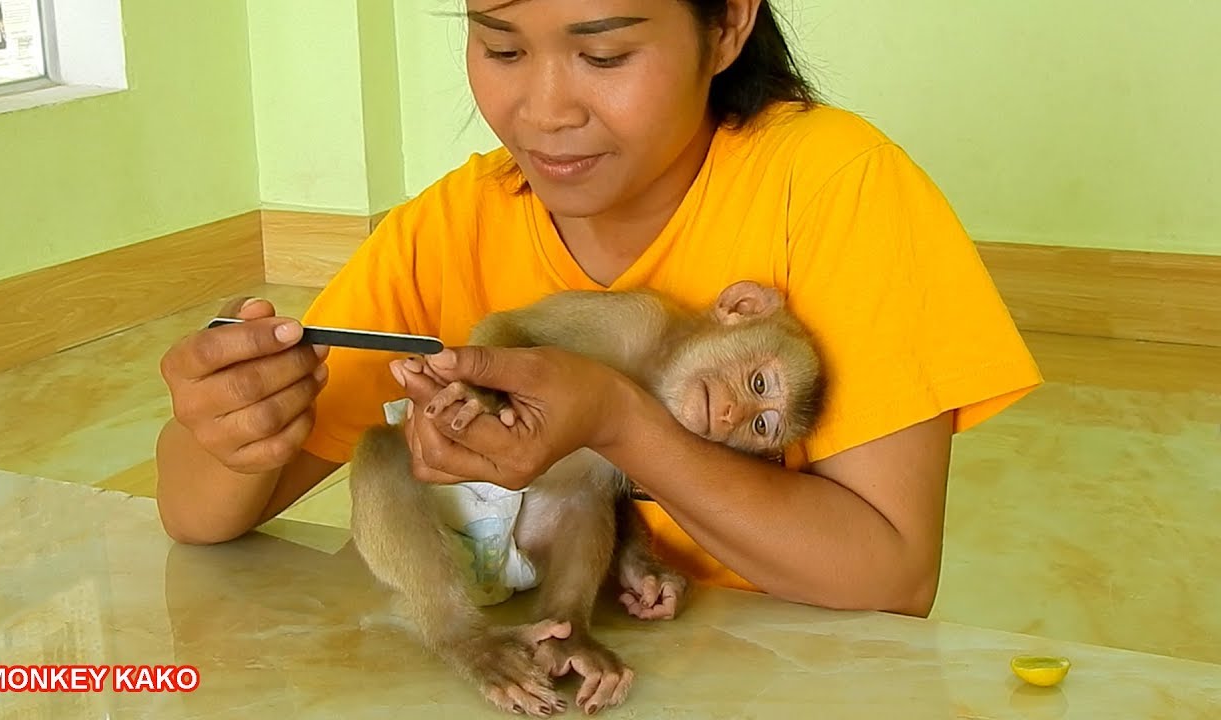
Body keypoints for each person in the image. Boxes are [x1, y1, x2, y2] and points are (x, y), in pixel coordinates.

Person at [155, 0, 1042, 618]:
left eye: (605, 55)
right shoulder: (454, 226)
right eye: (501, 49)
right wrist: (233, 422)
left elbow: (889, 578)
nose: (542, 111)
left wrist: (620, 419)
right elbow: (198, 516)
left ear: (727, 22)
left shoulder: (836, 188)